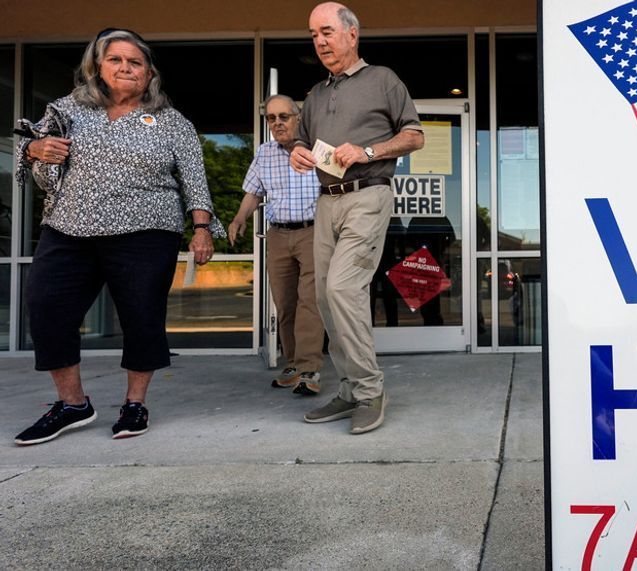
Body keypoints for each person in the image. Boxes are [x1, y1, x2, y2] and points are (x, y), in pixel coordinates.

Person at [13, 28, 225, 446]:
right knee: (45, 305)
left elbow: (195, 182)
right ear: (98, 66)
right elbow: (32, 146)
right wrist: (34, 151)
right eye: (116, 60)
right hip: (69, 227)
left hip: (147, 231)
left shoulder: (171, 121)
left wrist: (201, 229)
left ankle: (135, 403)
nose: (126, 68)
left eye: (136, 62)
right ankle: (72, 403)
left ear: (149, 74)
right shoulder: (69, 108)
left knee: (141, 318)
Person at [291, 2, 424, 434]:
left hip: (368, 194)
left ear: (352, 34)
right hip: (326, 200)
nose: (320, 42)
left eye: (327, 31)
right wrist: (296, 151)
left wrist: (368, 151)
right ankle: (349, 389)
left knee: (343, 288)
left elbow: (415, 135)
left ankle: (369, 390)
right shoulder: (314, 94)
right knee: (326, 299)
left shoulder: (383, 79)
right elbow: (302, 141)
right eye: (313, 35)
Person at [228, 94, 326, 395]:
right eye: (272, 118)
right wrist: (239, 217)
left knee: (310, 302)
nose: (278, 123)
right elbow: (253, 192)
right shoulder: (265, 152)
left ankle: (310, 369)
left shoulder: (317, 149)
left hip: (312, 232)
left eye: (284, 116)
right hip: (279, 235)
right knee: (284, 304)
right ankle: (294, 363)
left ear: (297, 118)